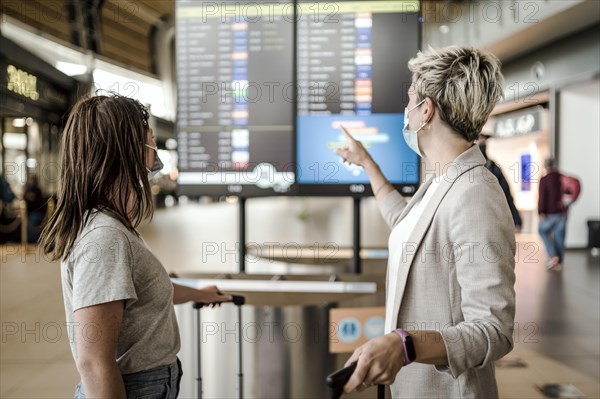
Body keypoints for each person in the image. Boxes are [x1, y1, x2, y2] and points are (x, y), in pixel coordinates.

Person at [334, 46, 515, 398]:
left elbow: (493, 330)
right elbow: (404, 221)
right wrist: (367, 163)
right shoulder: (440, 180)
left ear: (426, 109)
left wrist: (405, 345)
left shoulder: (475, 192)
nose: (407, 111)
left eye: (410, 100)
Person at [40, 95, 233, 398]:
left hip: (152, 383)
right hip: (134, 388)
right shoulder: (104, 238)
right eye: (150, 138)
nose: (155, 148)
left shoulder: (114, 225)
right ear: (125, 147)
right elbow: (94, 362)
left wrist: (200, 293)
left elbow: (142, 289)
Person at [476, 133, 523, 232]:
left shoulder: (492, 166)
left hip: (491, 219)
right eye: (479, 139)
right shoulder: (465, 167)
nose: (482, 142)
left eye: (484, 140)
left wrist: (516, 219)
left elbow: (506, 194)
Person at [538, 158, 567, 271]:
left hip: (550, 213)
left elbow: (542, 197)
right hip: (562, 213)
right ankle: (558, 262)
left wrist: (541, 211)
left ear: (546, 166)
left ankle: (553, 255)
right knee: (559, 237)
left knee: (542, 230)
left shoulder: (545, 179)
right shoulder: (561, 177)